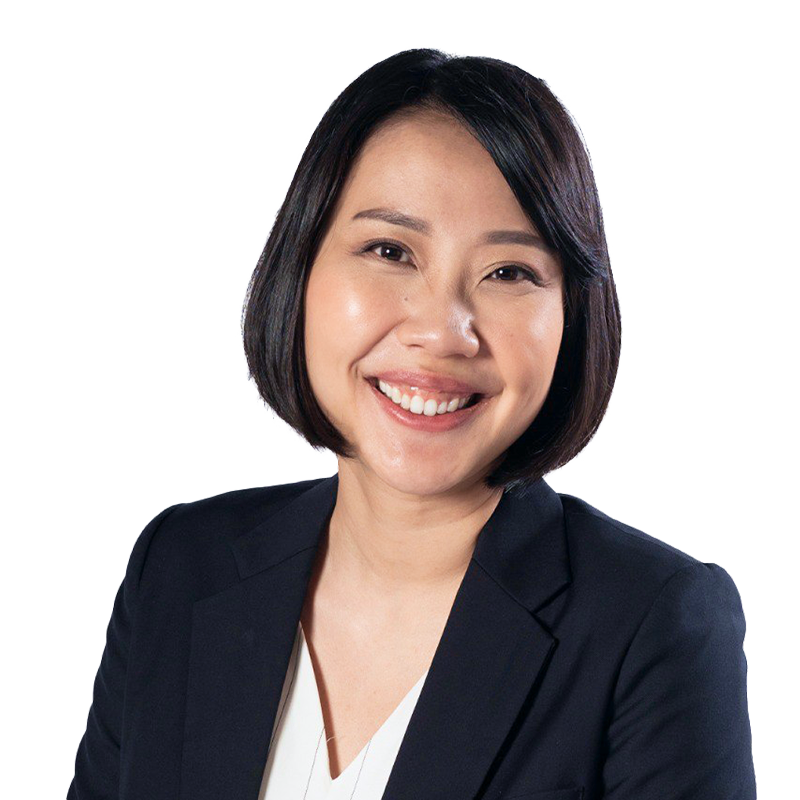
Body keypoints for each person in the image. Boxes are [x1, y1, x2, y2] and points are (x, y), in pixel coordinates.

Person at [67, 47, 758, 800]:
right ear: (301, 268)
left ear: (573, 318)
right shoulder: (179, 566)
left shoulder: (654, 625)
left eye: (509, 272)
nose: (442, 332)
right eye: (391, 251)